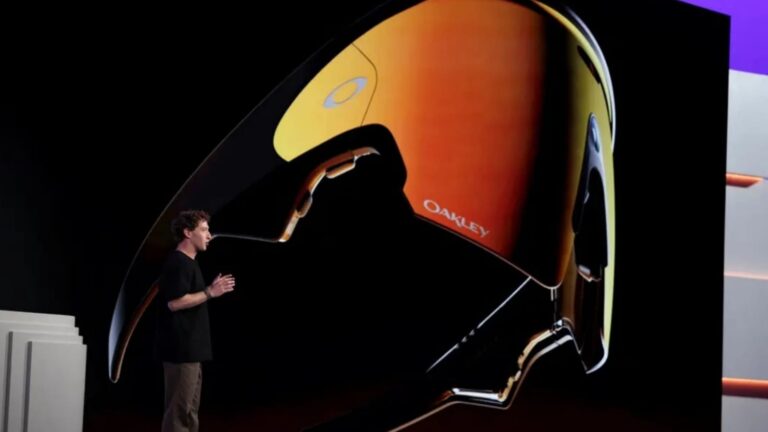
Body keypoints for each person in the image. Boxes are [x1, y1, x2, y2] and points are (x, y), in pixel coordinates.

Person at [155, 210, 235, 432]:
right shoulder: (178, 262)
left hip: (191, 352)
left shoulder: (189, 263)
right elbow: (174, 303)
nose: (209, 235)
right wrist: (210, 292)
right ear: (188, 232)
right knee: (179, 414)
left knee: (189, 412)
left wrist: (210, 291)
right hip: (181, 352)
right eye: (204, 230)